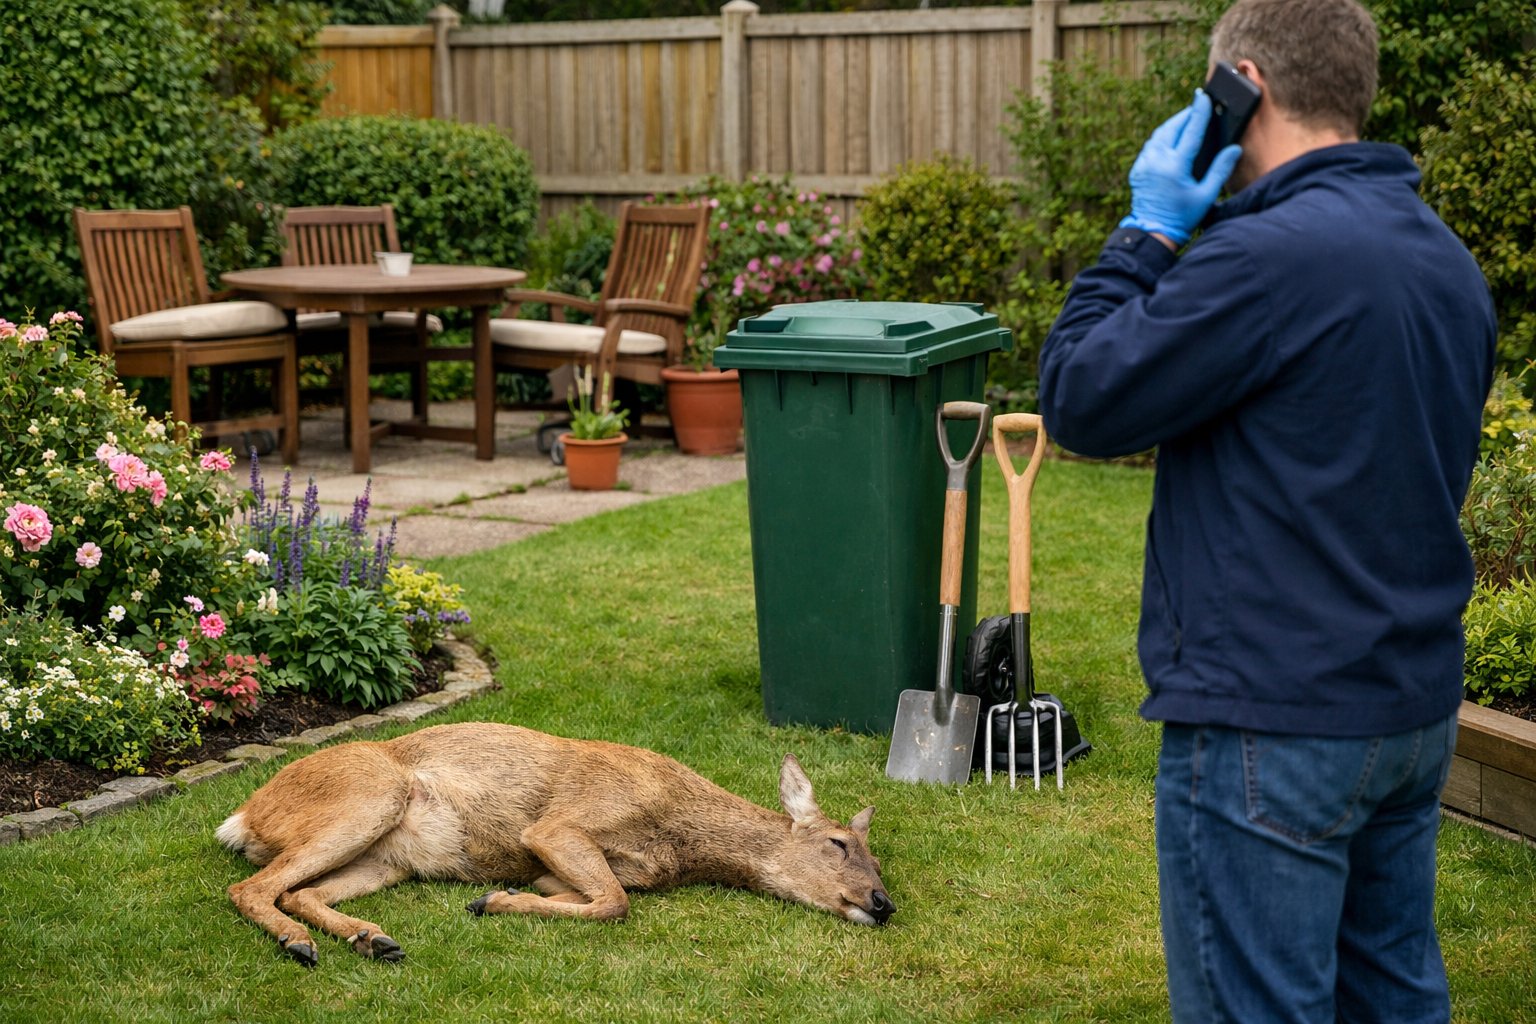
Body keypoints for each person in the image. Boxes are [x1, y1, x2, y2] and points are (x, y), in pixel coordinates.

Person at [1035, 0, 1497, 1020]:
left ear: (1242, 84)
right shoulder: (1445, 262)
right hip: (1407, 710)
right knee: (1394, 1000)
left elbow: (1079, 397)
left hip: (1271, 724)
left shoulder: (1266, 261)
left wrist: (1147, 231)